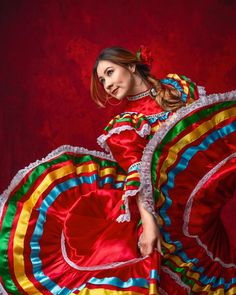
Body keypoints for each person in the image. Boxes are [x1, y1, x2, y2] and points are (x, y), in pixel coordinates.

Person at [0, 46, 235, 295]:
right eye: (103, 81)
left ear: (131, 66)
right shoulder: (124, 127)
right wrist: (149, 225)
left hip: (202, 199)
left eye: (110, 73)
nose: (107, 84)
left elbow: (210, 135)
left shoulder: (177, 87)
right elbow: (139, 176)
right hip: (161, 211)